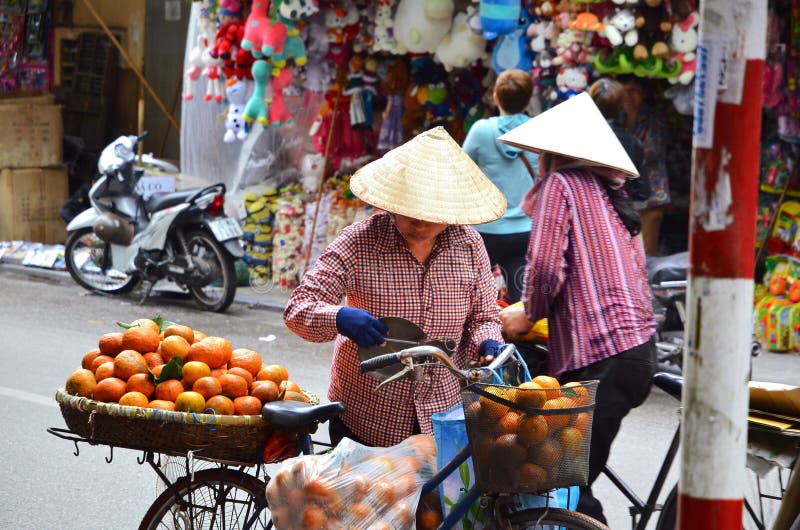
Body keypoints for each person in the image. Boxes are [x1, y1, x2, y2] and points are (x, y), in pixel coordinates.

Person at [284, 126, 506, 448]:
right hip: (368, 414)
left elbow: (485, 317)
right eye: (410, 208)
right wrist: (339, 317)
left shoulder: (469, 245)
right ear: (392, 201)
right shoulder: (358, 241)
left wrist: (488, 342)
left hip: (442, 412)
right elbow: (299, 309)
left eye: (432, 211)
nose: (419, 220)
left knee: (432, 499)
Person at [498, 93, 657, 524]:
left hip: (605, 354)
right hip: (634, 350)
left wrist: (528, 313)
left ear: (552, 156)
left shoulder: (560, 186)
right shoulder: (608, 194)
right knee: (567, 470)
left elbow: (547, 267)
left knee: (564, 479)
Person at [462, 68, 538, 303]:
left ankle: (479, 336)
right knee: (520, 301)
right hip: (526, 229)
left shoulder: (481, 130)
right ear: (528, 98)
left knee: (472, 295)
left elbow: (461, 169)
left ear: (495, 97)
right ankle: (518, 339)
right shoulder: (539, 130)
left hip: (486, 230)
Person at [621, 77, 670, 255]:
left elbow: (652, 150)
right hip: (625, 198)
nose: (629, 96)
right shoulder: (618, 119)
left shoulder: (653, 119)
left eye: (634, 91)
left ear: (642, 94)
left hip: (651, 199)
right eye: (624, 91)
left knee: (646, 253)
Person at [587, 78, 649, 203]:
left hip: (586, 212)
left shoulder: (578, 136)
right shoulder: (632, 142)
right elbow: (642, 192)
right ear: (621, 106)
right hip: (619, 214)